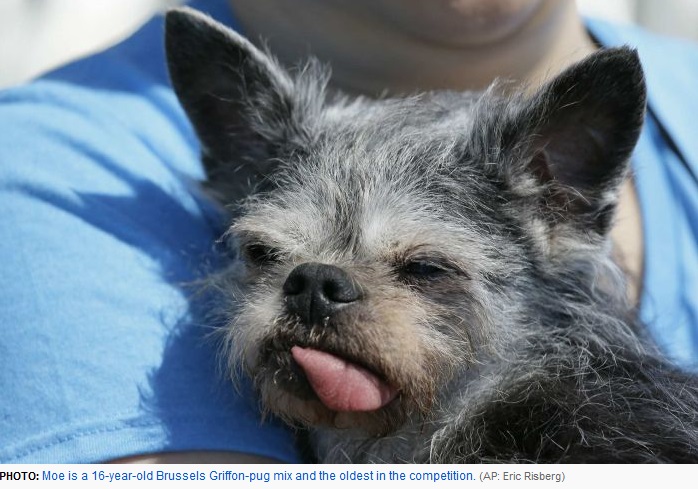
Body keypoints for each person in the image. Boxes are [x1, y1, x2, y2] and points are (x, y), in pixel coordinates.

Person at [0, 0, 696, 464]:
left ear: (563, 199)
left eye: (425, 270)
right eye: (267, 255)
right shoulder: (50, 172)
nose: (315, 290)